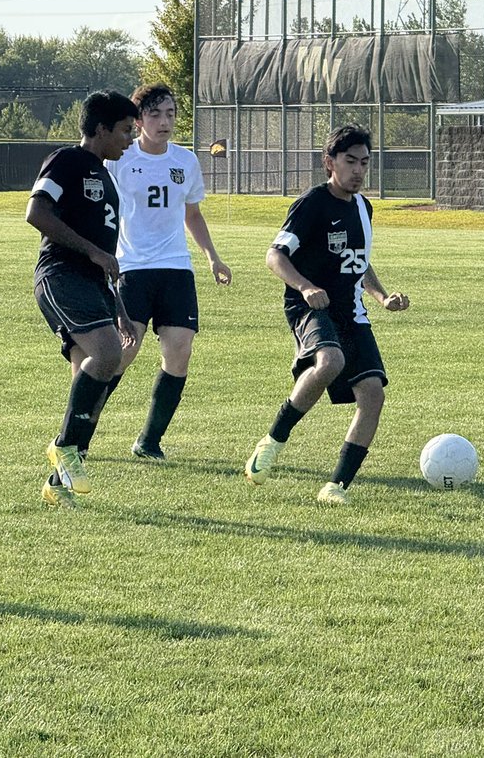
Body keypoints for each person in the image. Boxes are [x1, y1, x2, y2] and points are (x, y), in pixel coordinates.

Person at [244, 124, 410, 506]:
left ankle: (335, 487)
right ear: (329, 162)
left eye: (364, 163)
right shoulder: (313, 203)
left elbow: (360, 263)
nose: (357, 170)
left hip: (351, 311)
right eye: (350, 161)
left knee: (373, 395)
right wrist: (305, 286)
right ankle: (273, 441)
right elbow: (275, 255)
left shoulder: (364, 208)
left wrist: (383, 298)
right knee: (330, 360)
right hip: (309, 306)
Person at [26, 90, 140, 510]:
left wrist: (120, 309)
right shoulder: (68, 161)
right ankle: (64, 447)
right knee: (106, 356)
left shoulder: (104, 174)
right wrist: (91, 252)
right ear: (101, 129)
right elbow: (36, 212)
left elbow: (105, 251)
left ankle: (57, 485)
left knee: (88, 385)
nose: (130, 139)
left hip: (94, 285)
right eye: (126, 131)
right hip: (61, 274)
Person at [105, 83, 232, 460]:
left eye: (171, 114)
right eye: (156, 114)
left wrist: (212, 256)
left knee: (179, 350)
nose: (165, 122)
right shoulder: (119, 160)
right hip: (133, 268)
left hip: (176, 268)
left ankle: (149, 441)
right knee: (123, 351)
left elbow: (192, 214)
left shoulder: (185, 161)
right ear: (139, 119)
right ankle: (79, 429)